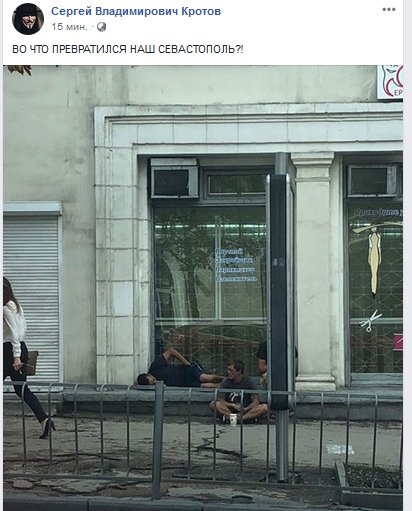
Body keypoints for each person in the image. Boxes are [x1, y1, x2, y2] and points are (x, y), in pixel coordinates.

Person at [3, 277, 55, 439]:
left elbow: (15, 335)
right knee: (22, 390)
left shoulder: (5, 308)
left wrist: (16, 357)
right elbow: (23, 330)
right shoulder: (16, 306)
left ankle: (44, 420)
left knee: (22, 389)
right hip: (18, 349)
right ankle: (44, 420)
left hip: (9, 351)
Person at [136, 348, 223, 388]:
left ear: (149, 374)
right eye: (153, 383)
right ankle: (225, 387)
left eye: (153, 379)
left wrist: (187, 364)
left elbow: (171, 351)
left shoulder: (156, 366)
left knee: (205, 378)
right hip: (185, 383)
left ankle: (225, 379)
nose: (155, 381)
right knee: (208, 386)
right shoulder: (156, 386)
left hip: (186, 370)